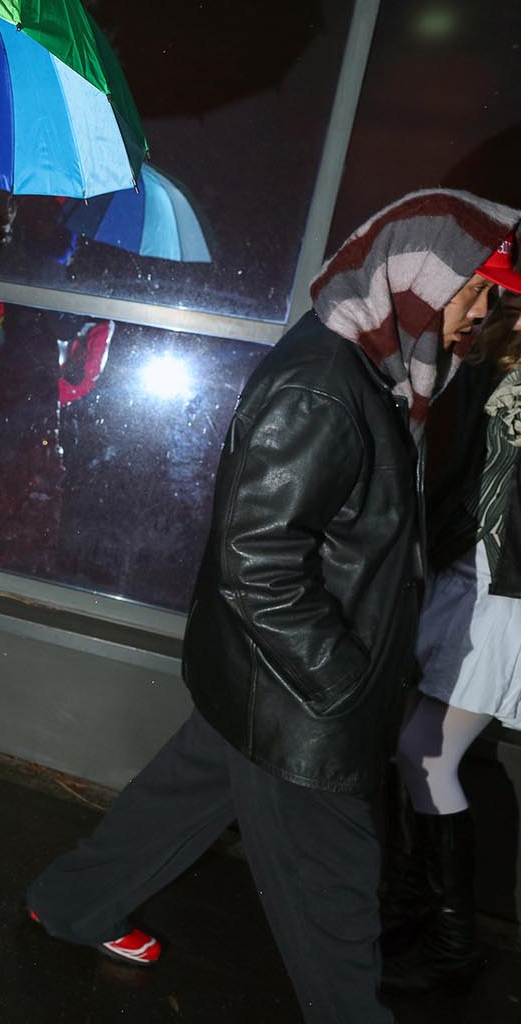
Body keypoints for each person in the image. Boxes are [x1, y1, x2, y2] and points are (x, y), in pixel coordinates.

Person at [25, 188, 520, 1023]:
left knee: (185, 793)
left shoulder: (373, 365)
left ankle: (70, 902)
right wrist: (346, 686)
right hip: (304, 696)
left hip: (269, 676)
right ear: (419, 278)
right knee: (336, 899)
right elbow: (255, 563)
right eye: (472, 291)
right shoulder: (327, 386)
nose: (476, 315)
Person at [385, 236, 521, 993]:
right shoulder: (489, 349)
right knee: (410, 749)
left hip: (505, 596)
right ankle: (412, 905)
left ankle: (454, 942)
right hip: (458, 574)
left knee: (424, 753)